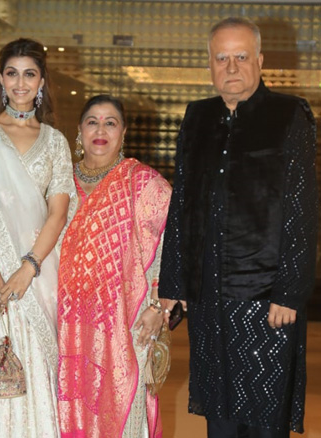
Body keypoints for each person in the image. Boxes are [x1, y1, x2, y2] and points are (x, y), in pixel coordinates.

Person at [158, 17, 317, 438]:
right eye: (222, 58)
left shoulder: (289, 115)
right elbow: (183, 203)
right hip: (209, 297)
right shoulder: (197, 117)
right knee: (221, 417)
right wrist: (175, 282)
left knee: (265, 419)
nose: (231, 67)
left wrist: (289, 291)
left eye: (241, 57)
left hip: (267, 300)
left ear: (260, 61)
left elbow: (302, 213)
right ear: (209, 64)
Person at [0, 38, 76, 437]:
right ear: (0, 79)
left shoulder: (54, 141)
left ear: (42, 82)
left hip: (38, 276)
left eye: (29, 74)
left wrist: (27, 270)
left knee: (33, 368)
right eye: (12, 73)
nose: (20, 83)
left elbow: (58, 212)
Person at [57, 94, 171, 438]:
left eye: (111, 122)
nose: (100, 130)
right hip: (64, 322)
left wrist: (158, 306)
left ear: (123, 132)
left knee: (123, 404)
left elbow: (169, 249)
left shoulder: (145, 184)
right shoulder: (58, 183)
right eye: (92, 121)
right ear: (79, 130)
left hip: (126, 320)